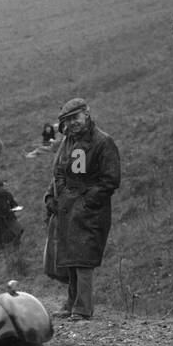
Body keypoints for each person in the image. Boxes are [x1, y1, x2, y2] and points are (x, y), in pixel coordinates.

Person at [43, 98, 120, 321]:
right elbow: (59, 171)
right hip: (68, 208)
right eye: (68, 120)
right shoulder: (68, 141)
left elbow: (110, 180)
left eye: (75, 118)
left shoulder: (103, 142)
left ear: (87, 114)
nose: (72, 123)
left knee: (84, 258)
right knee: (71, 257)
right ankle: (71, 303)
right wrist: (52, 196)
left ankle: (83, 307)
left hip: (90, 211)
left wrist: (87, 202)